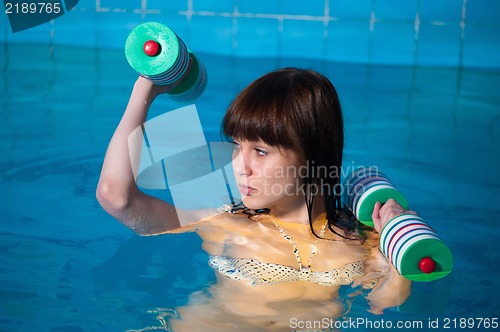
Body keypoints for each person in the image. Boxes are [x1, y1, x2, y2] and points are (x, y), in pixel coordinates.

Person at [97, 68, 412, 331]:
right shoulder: (225, 225)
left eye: (260, 151)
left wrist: (397, 241)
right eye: (237, 146)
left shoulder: (364, 243)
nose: (239, 167)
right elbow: (116, 197)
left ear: (311, 158)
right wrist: (146, 90)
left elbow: (382, 306)